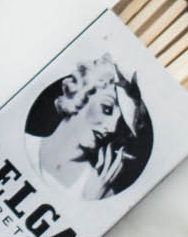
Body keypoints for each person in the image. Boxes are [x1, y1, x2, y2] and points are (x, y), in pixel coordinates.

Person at [24, 55, 154, 201]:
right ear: (83, 93)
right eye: (106, 109)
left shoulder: (99, 192)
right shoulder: (23, 143)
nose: (111, 128)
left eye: (121, 126)